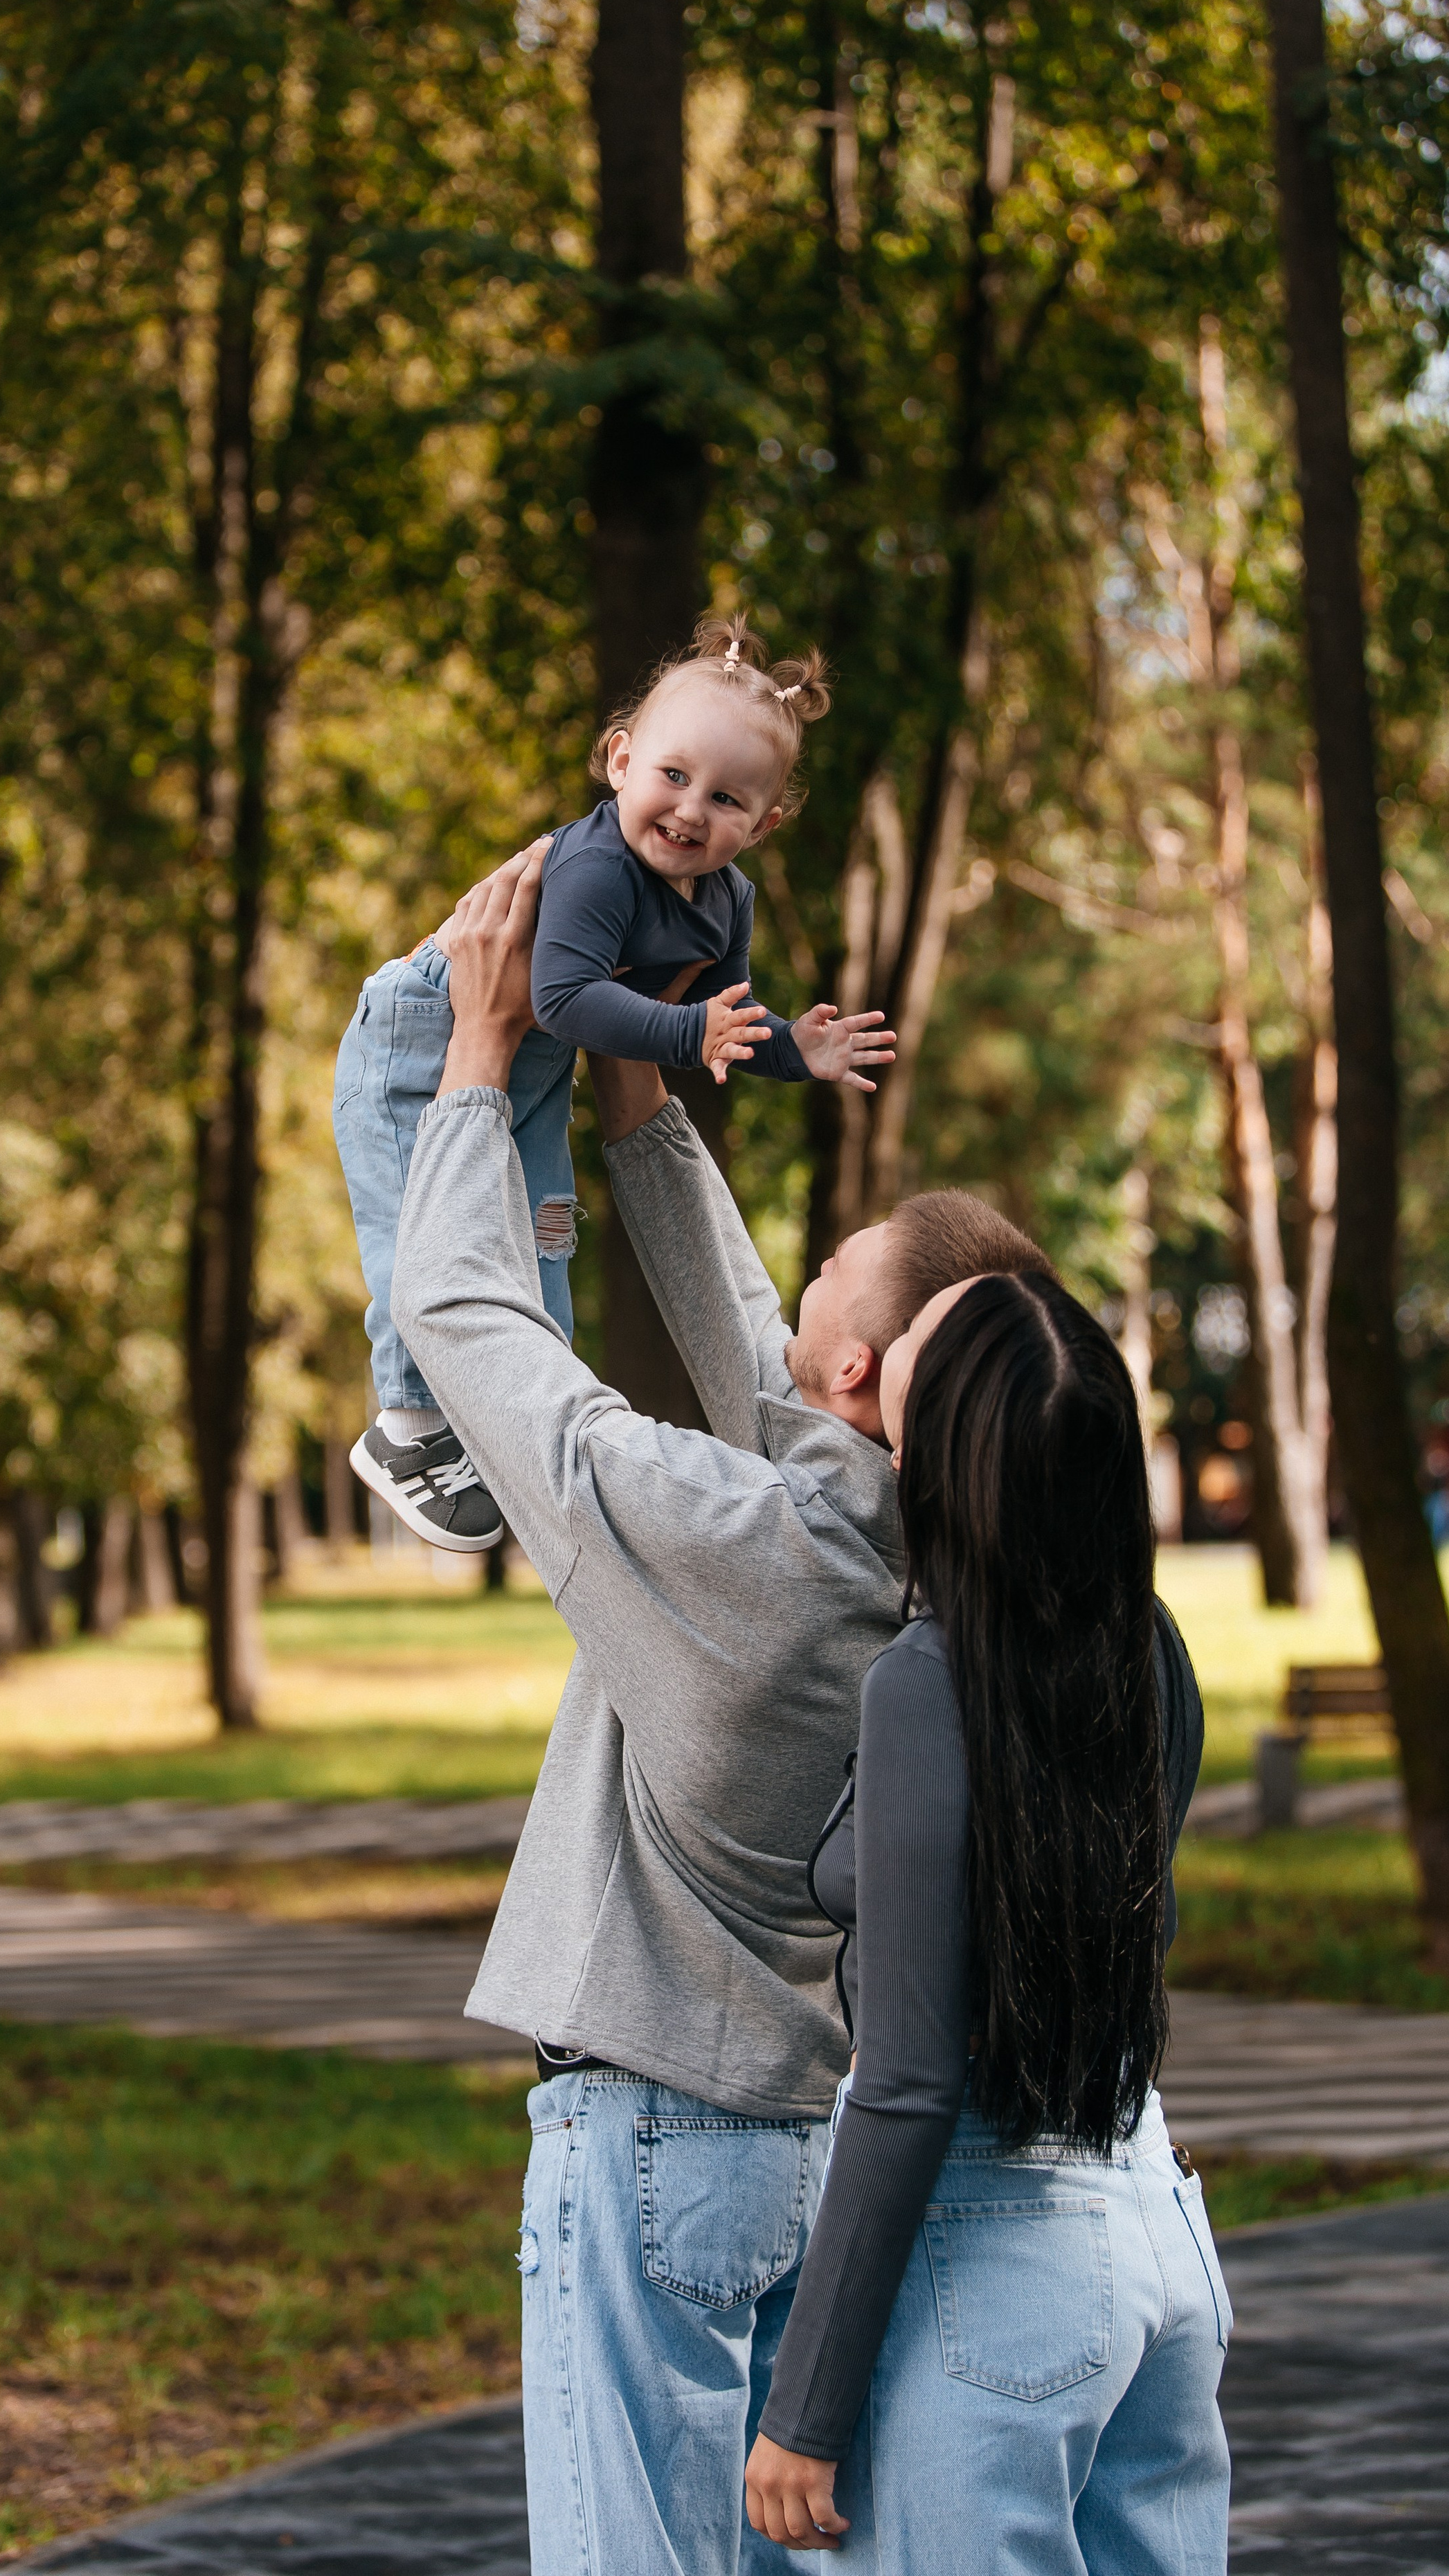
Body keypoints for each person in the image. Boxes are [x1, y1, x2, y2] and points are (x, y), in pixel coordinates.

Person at [384, 852, 1052, 2576]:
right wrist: (632, 1102)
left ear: (865, 1370)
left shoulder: (737, 1545)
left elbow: (472, 1329)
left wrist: (472, 1063)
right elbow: (761, 1354)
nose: (803, 1271)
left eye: (834, 1262)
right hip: (789, 2147)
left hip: (646, 2147)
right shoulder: (930, 1546)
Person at [745, 1269, 1227, 2570]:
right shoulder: (1151, 1650)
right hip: (1153, 2231)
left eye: (911, 1339)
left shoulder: (928, 1686)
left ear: (942, 1445)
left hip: (996, 2271)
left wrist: (806, 2407)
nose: (882, 1341)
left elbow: (909, 2075)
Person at [332, 611, 894, 1553]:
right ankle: (407, 1428)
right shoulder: (594, 867)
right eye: (674, 776)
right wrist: (686, 1028)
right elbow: (562, 995)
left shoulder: (726, 901)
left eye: (727, 799)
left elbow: (721, 1027)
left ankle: (499, 1421)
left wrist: (797, 1049)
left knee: (545, 1235)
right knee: (419, 1230)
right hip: (426, 1040)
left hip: (530, 1060)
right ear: (622, 760)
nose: (689, 809)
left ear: (766, 822)